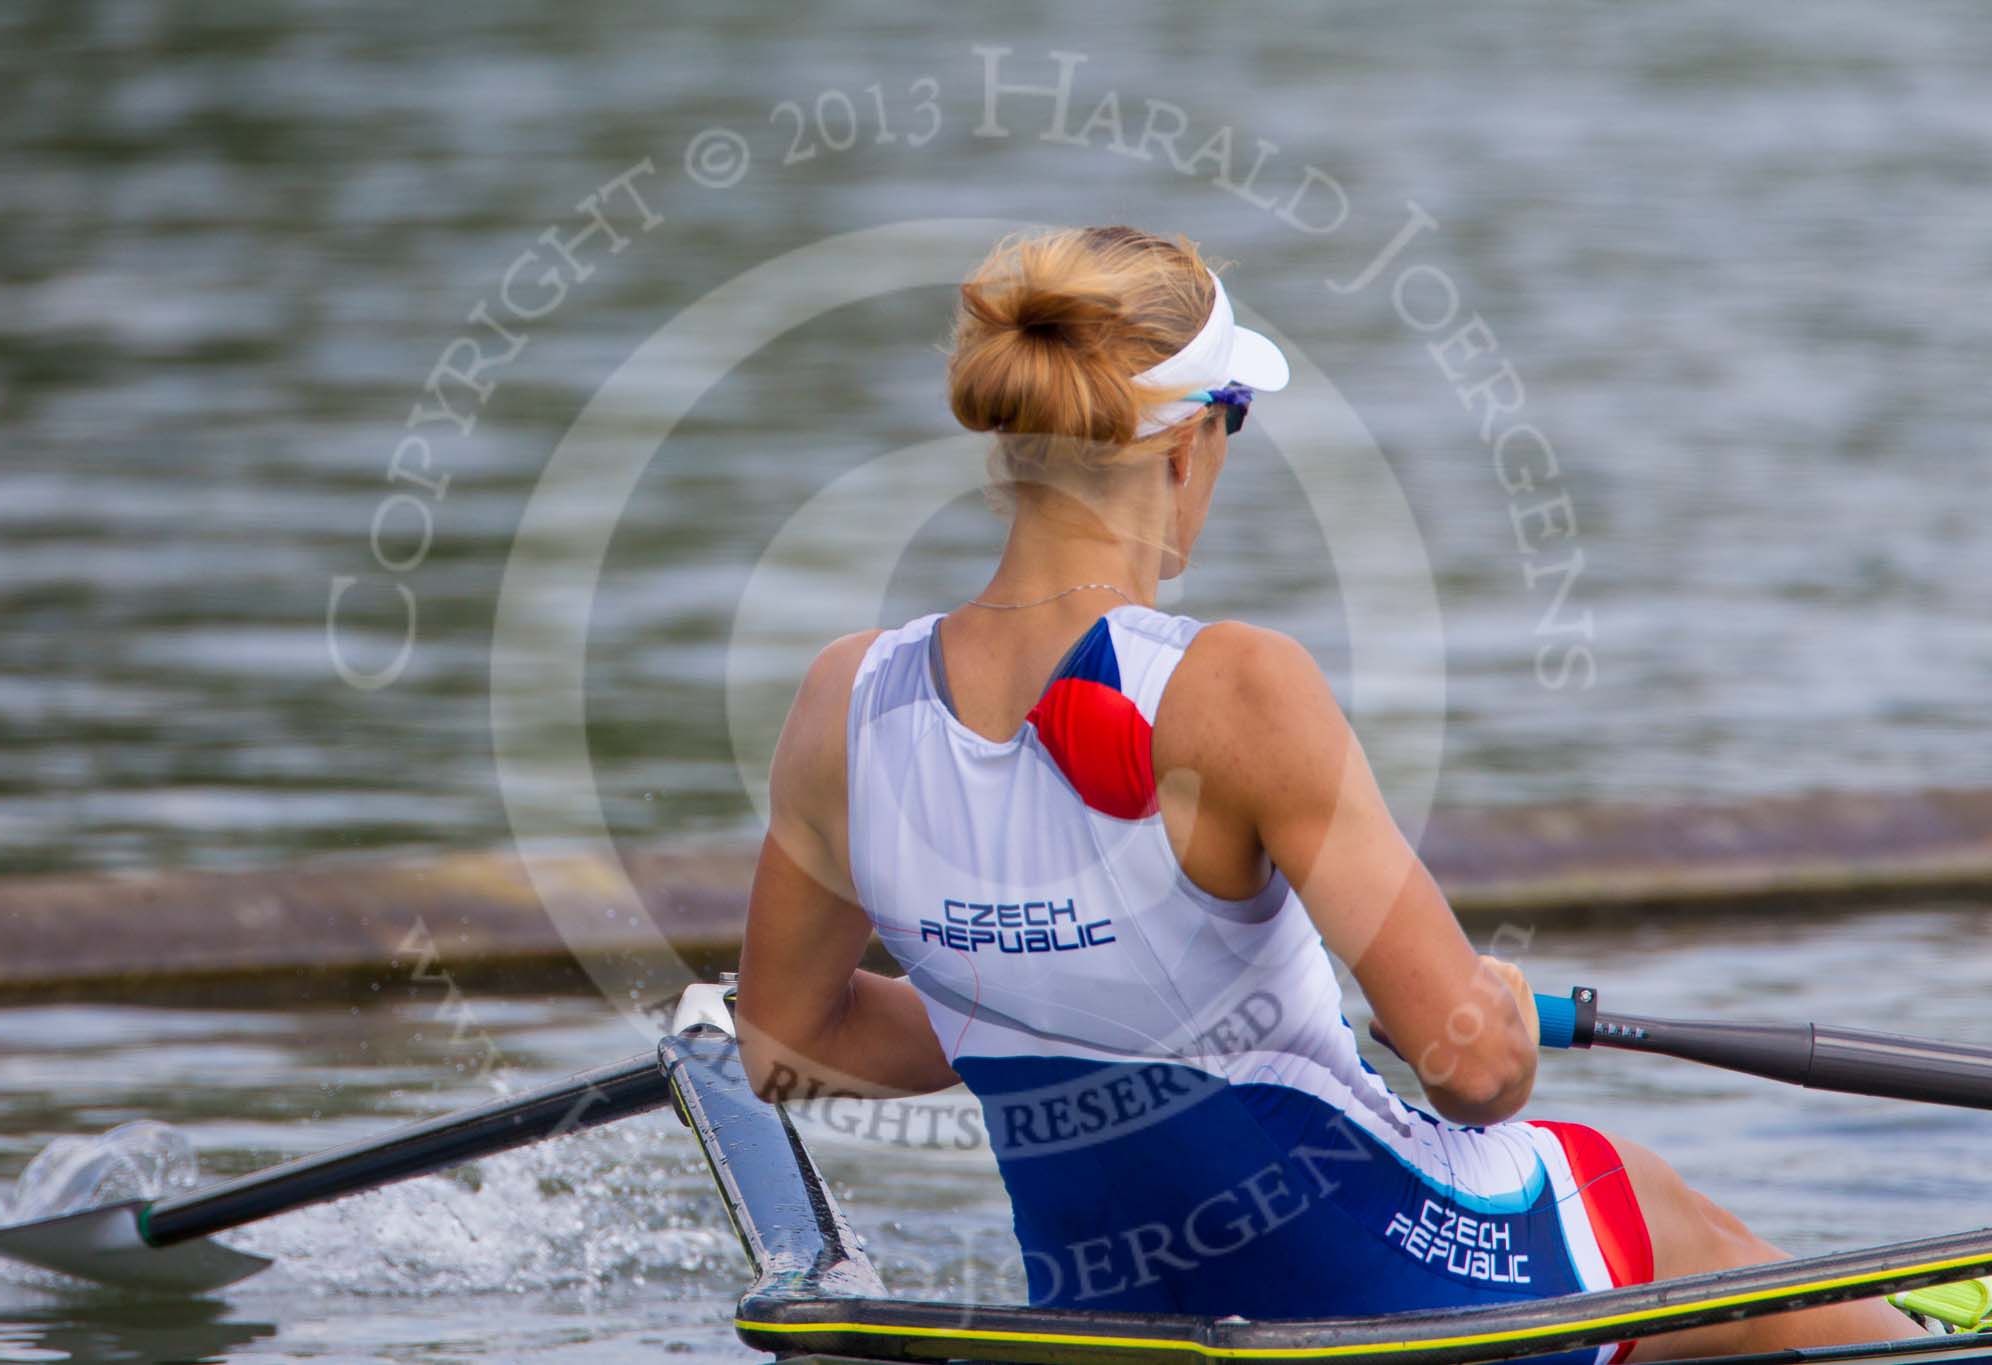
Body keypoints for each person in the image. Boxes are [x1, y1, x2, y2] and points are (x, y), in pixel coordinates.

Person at [733, 225, 1911, 1363]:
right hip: (1395, 1291)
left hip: (1102, 1315)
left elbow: (787, 1047)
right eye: (1235, 422)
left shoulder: (847, 699)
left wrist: (1004, 996)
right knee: (1633, 1194)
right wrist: (1494, 1019)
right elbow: (1469, 1073)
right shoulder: (1235, 686)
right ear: (1188, 444)